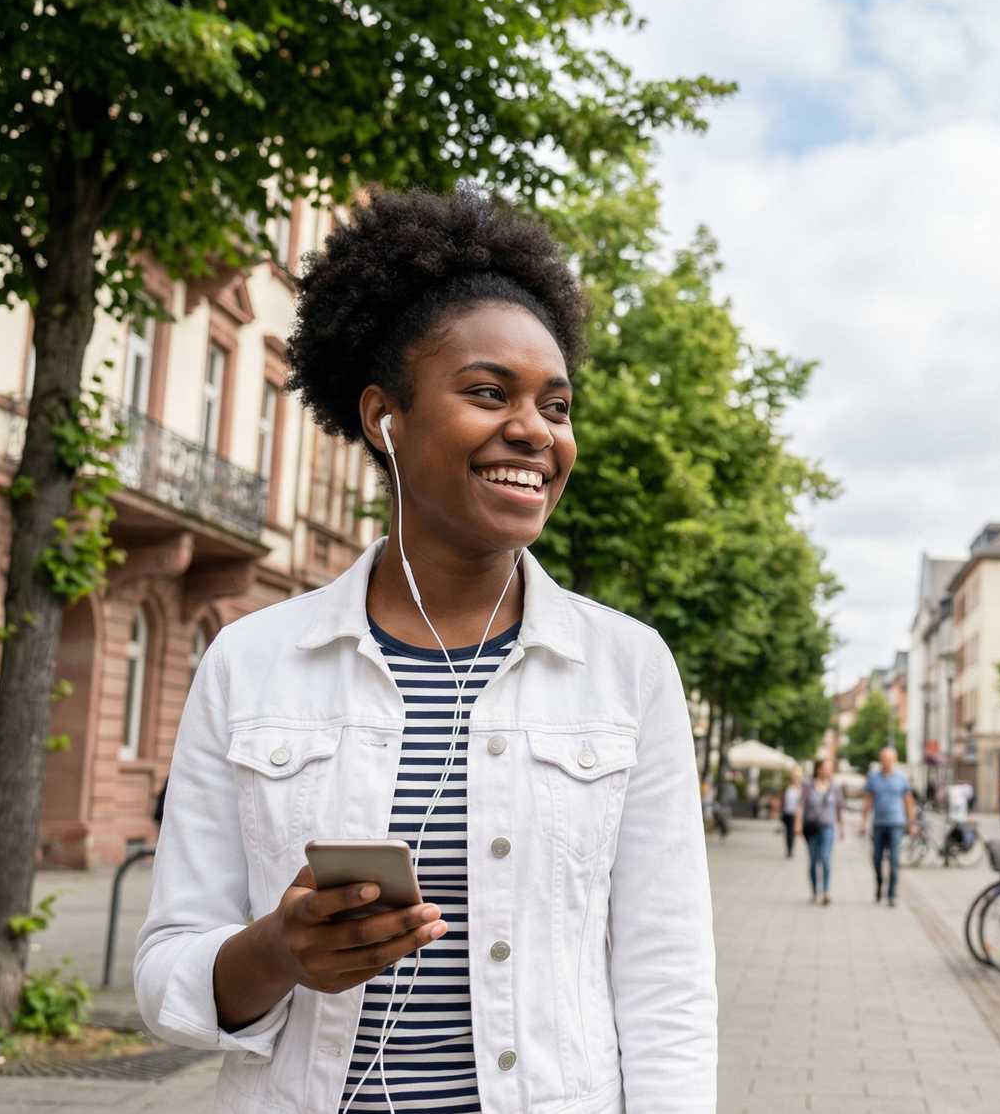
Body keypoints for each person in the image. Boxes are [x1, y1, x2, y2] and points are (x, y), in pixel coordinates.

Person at [134, 188, 716, 1113]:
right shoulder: (249, 661)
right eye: (490, 392)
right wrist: (276, 953)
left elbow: (667, 981)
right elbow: (167, 971)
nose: (537, 430)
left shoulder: (627, 667)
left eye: (556, 405)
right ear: (384, 418)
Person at [861, 746, 918, 907]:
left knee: (894, 860)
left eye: (889, 759)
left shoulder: (901, 778)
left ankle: (892, 894)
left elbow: (909, 802)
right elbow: (868, 800)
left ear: (894, 760)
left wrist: (912, 823)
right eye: (884, 759)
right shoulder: (874, 778)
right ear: (881, 760)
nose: (886, 762)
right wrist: (862, 822)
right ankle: (880, 885)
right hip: (878, 824)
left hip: (896, 824)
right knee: (877, 859)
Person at [801, 758, 845, 905]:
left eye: (830, 768)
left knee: (825, 858)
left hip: (828, 827)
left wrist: (841, 827)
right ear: (818, 769)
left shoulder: (835, 787)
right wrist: (797, 824)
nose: (828, 771)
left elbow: (839, 809)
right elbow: (801, 806)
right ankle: (815, 892)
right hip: (811, 827)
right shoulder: (808, 786)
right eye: (826, 767)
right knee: (813, 861)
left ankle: (826, 892)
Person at [779, 767, 804, 860]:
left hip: (795, 814)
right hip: (786, 812)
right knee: (787, 832)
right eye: (793, 777)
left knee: (791, 832)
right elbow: (782, 799)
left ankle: (790, 849)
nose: (794, 779)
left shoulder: (800, 789)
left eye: (796, 777)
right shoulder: (787, 788)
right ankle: (789, 848)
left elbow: (802, 801)